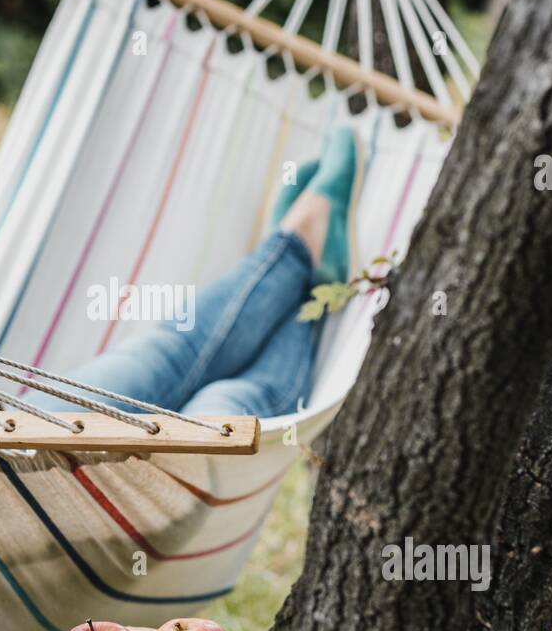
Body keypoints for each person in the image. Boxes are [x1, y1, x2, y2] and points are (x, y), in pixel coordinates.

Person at [23, 124, 363, 421]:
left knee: (165, 355)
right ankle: (297, 255)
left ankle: (300, 267)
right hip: (14, 456)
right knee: (224, 399)